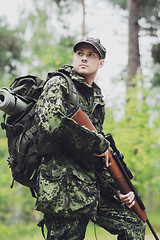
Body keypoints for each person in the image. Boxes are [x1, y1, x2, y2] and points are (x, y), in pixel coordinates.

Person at [35, 36, 146, 240]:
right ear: (74, 57)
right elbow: (50, 121)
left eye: (90, 55)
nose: (84, 58)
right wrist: (96, 141)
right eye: (80, 54)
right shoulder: (59, 83)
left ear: (100, 63)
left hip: (90, 188)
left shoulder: (96, 97)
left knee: (133, 224)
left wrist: (116, 190)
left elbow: (98, 156)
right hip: (63, 190)